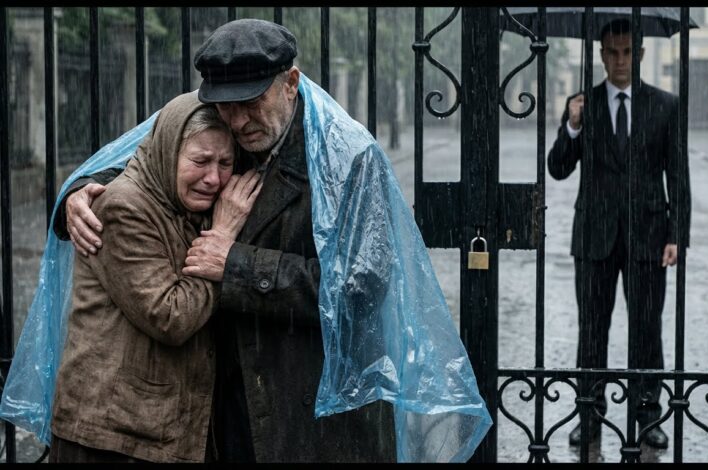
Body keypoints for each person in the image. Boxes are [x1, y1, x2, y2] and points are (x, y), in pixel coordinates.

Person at [51, 19, 494, 463]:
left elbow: (361, 290)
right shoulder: (232, 135)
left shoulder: (348, 159)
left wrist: (238, 265)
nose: (239, 121)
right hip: (232, 411)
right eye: (226, 107)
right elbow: (157, 157)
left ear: (291, 83)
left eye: (251, 102)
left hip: (317, 418)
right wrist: (82, 190)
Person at [48, 93, 260, 462]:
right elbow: (171, 316)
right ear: (167, 151)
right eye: (200, 161)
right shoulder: (121, 207)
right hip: (110, 438)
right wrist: (222, 243)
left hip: (155, 433)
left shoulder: (194, 202)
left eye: (225, 163)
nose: (214, 178)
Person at [547, 18, 691, 449]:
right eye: (613, 52)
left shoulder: (665, 106)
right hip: (594, 237)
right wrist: (571, 126)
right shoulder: (583, 105)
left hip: (649, 235)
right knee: (592, 330)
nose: (620, 60)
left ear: (641, 54)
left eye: (628, 52)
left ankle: (649, 417)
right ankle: (589, 415)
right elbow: (557, 168)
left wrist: (676, 235)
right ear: (601, 54)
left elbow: (677, 177)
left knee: (647, 329)